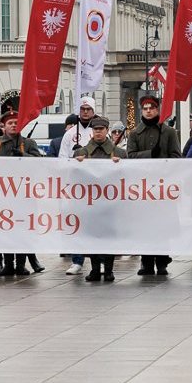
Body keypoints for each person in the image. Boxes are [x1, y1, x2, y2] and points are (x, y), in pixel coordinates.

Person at [0, 108, 44, 275]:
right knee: (4, 230)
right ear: (4, 126)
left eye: (17, 123)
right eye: (10, 123)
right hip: (0, 195)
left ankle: (21, 264)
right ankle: (8, 264)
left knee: (22, 230)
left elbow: (40, 164)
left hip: (24, 195)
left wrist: (23, 155)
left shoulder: (29, 143)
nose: (14, 125)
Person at [124, 93, 180, 276]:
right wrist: (150, 154)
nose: (148, 112)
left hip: (163, 188)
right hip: (142, 188)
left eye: (152, 108)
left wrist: (162, 162)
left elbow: (176, 157)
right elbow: (130, 156)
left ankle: (162, 261)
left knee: (162, 226)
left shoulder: (169, 132)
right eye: (145, 109)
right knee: (144, 226)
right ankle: (146, 262)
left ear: (157, 109)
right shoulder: (134, 133)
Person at [73, 116, 124, 281]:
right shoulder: (81, 152)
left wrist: (120, 165)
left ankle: (108, 270)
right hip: (90, 202)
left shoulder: (120, 153)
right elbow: (73, 177)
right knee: (91, 235)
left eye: (101, 129)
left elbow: (128, 177)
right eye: (96, 129)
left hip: (111, 203)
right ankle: (95, 269)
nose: (98, 132)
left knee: (109, 236)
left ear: (107, 131)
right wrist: (77, 163)